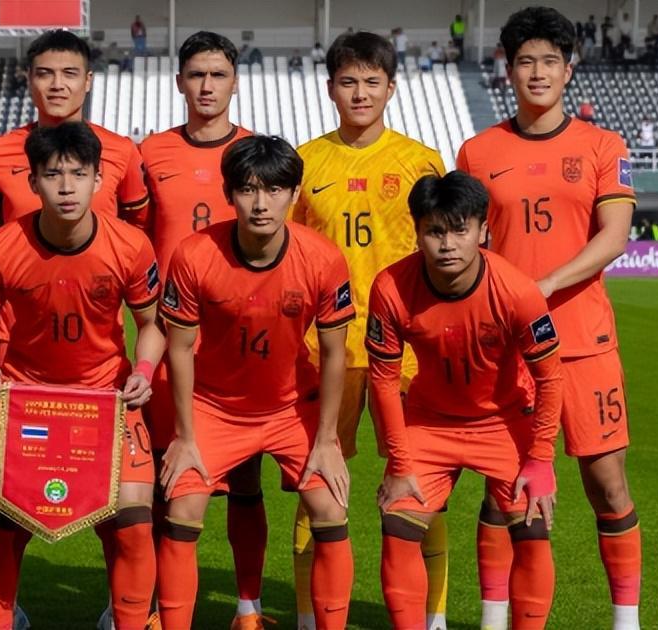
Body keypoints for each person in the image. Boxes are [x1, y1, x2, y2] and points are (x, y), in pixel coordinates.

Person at [456, 8, 642, 630]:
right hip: (508, 347)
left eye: (549, 61)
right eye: (525, 61)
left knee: (607, 484)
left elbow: (614, 236)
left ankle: (626, 622)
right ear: (508, 70)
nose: (537, 72)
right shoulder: (477, 151)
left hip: (585, 341)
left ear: (569, 69)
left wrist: (543, 286)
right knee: (506, 490)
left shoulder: (603, 146)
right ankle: (495, 620)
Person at [0, 122, 162, 630]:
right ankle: (2, 620)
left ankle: (126, 618)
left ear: (99, 179)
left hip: (107, 400)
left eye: (79, 174)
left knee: (134, 523)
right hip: (25, 401)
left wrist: (143, 370)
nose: (67, 187)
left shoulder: (131, 246)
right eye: (53, 175)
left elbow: (151, 324)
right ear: (33, 182)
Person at [157, 135, 356, 630]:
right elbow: (179, 348)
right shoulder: (194, 255)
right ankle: (227, 615)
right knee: (183, 505)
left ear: (295, 193)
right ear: (228, 194)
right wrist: (184, 436)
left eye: (274, 189)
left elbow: (335, 352)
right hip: (215, 407)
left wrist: (327, 440)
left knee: (330, 508)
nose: (261, 203)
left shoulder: (323, 258)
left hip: (291, 408)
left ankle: (276, 617)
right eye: (247, 190)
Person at [290, 30, 447, 630]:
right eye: (348, 82)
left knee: (421, 485)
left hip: (404, 352)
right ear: (330, 88)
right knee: (317, 482)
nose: (360, 93)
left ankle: (430, 619)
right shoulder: (306, 161)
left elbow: (442, 253)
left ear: (391, 88)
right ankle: (309, 618)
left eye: (371, 82)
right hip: (323, 349)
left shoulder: (420, 162)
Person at [370, 171, 562, 630]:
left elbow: (551, 378)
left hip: (504, 421)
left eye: (460, 230)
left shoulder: (517, 292)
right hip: (430, 422)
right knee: (397, 525)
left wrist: (540, 459)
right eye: (435, 231)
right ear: (416, 232)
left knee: (532, 529)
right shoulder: (391, 288)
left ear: (482, 230)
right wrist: (399, 463)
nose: (447, 244)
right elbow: (384, 380)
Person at [139, 31, 260, 628]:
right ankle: (159, 607)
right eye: (196, 75)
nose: (207, 86)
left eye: (218, 75)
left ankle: (247, 607)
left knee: (246, 481)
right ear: (179, 82)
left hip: (240, 340)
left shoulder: (258, 153)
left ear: (235, 81)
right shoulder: (151, 153)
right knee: (167, 475)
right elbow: (137, 240)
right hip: (171, 336)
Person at [0, 29, 148, 229]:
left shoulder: (122, 151)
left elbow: (142, 228)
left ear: (88, 81)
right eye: (45, 74)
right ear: (29, 79)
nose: (57, 85)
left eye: (69, 74)